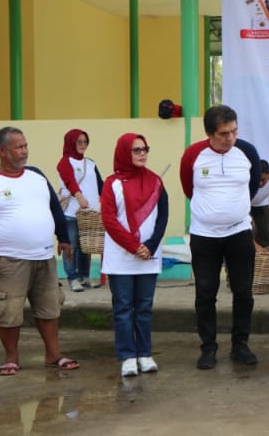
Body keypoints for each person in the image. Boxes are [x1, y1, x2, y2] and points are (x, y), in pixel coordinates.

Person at [0, 127, 79, 376]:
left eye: (25, 145)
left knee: (50, 307)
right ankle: (11, 358)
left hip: (44, 257)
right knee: (8, 310)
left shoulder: (37, 175)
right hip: (8, 259)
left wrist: (63, 237)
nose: (24, 151)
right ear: (1, 151)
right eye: (18, 147)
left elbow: (54, 207)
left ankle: (53, 355)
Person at [180, 104, 265, 370]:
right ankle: (208, 348)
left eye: (234, 131)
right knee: (205, 293)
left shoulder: (247, 152)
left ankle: (240, 345)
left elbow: (251, 187)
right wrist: (212, 213)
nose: (230, 138)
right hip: (204, 236)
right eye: (223, 134)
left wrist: (232, 211)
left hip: (239, 233)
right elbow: (188, 188)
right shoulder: (193, 155)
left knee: (243, 292)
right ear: (209, 134)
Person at [100, 132, 169, 378]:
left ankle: (145, 354)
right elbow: (109, 220)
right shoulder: (112, 184)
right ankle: (128, 356)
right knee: (123, 308)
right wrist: (133, 246)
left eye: (145, 149)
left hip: (148, 256)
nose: (142, 154)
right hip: (121, 258)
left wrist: (149, 246)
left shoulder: (156, 181)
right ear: (123, 153)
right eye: (136, 150)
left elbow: (162, 217)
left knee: (144, 308)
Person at [56, 128, 101, 292]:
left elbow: (100, 184)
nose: (83, 145)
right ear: (71, 143)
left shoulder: (90, 163)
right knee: (72, 246)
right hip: (71, 212)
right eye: (79, 142)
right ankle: (72, 278)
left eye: (85, 142)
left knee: (86, 247)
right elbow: (70, 181)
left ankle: (84, 277)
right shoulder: (65, 162)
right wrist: (80, 197)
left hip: (89, 213)